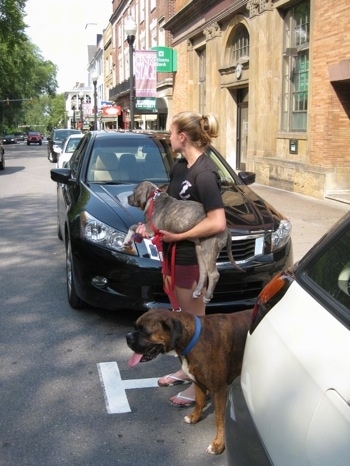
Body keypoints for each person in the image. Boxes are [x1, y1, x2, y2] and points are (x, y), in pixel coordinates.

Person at [136, 111, 226, 407]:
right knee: (181, 317)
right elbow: (167, 211)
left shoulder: (204, 173)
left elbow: (217, 222)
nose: (168, 137)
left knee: (195, 325)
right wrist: (147, 228)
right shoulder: (179, 168)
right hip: (172, 255)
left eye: (170, 132)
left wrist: (180, 236)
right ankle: (187, 371)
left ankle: (204, 383)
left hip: (191, 258)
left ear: (182, 137)